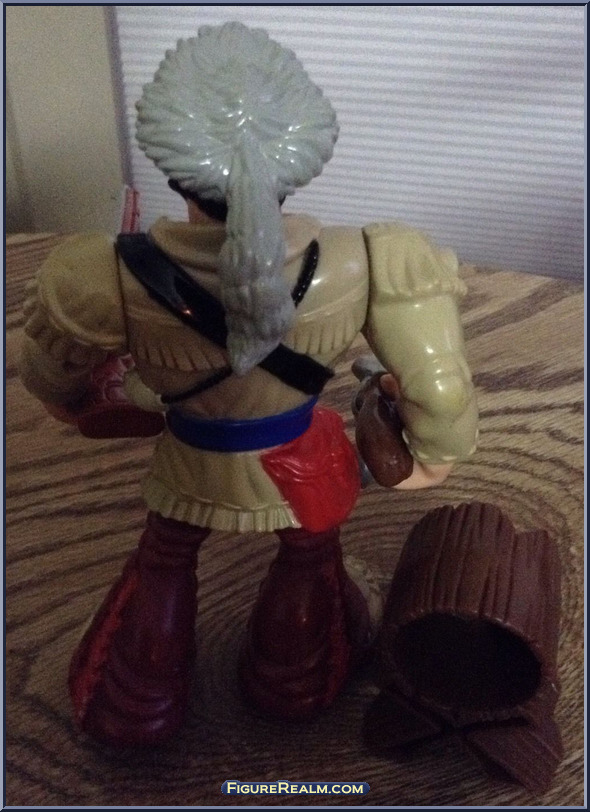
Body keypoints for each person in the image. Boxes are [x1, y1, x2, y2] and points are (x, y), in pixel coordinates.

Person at [19, 22, 478, 746]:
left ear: (171, 167)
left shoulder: (100, 274)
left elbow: (50, 384)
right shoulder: (373, 258)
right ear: (301, 159)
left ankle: (136, 702)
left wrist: (92, 403)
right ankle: (293, 681)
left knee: (165, 556)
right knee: (309, 555)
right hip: (299, 463)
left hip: (187, 459)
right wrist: (431, 456)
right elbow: (442, 390)